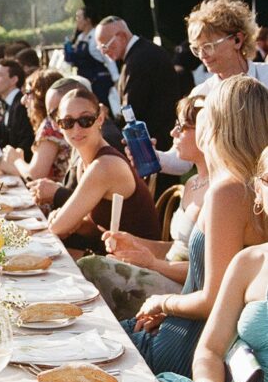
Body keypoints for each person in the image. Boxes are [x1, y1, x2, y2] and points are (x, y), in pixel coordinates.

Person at [123, 75, 268, 380]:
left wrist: (161, 302)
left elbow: (211, 300)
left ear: (217, 125)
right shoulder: (254, 188)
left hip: (190, 344)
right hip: (203, 334)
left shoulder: (227, 192)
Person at [79, 96, 209, 319]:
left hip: (187, 294)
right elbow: (177, 248)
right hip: (168, 273)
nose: (173, 133)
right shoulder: (192, 183)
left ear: (208, 131)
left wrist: (152, 263)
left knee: (89, 268)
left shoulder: (220, 192)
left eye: (182, 127)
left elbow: (208, 273)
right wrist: (133, 243)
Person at [158, 0, 268, 178]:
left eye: (208, 46)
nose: (202, 55)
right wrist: (152, 157)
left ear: (237, 40)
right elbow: (182, 162)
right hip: (231, 193)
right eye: (197, 49)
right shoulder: (201, 95)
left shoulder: (266, 76)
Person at [47, 87, 160, 254]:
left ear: (100, 119)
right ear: (59, 125)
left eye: (85, 120)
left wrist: (63, 220)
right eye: (68, 122)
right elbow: (95, 228)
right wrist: (76, 223)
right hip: (113, 257)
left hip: (140, 268)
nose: (76, 129)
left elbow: (58, 228)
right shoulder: (84, 163)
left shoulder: (104, 166)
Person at [29, 76, 126, 213]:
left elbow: (98, 208)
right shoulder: (79, 136)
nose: (56, 122)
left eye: (57, 113)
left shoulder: (104, 140)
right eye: (52, 116)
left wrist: (56, 193)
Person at [95, 15, 178, 150]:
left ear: (121, 36)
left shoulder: (139, 60)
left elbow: (132, 112)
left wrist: (107, 117)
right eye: (100, 48)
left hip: (156, 142)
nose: (104, 52)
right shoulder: (143, 52)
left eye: (104, 46)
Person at [0, 68, 67, 184]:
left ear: (43, 96)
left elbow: (34, 176)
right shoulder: (52, 122)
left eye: (28, 93)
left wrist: (16, 159)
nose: (23, 100)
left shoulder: (51, 126)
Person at [64, 7, 119, 106]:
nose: (77, 21)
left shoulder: (96, 36)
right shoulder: (80, 38)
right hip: (85, 83)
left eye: (79, 17)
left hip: (99, 84)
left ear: (87, 20)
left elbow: (108, 58)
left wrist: (116, 79)